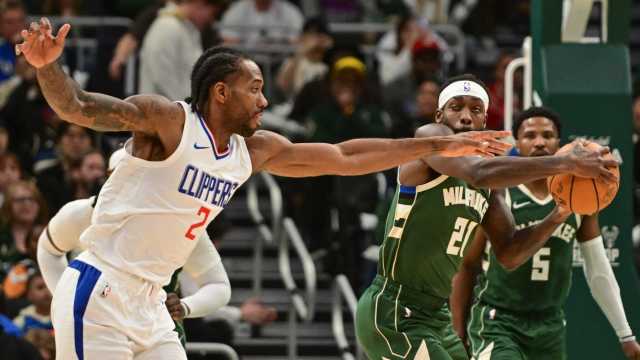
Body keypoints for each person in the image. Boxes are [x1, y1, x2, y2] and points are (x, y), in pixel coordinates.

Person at [18, 19, 511, 359]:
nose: (265, 99)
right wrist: (47, 67)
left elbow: (345, 157)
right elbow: (80, 107)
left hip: (151, 302)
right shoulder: (168, 121)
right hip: (100, 288)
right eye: (255, 88)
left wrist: (439, 148)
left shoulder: (252, 151)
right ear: (220, 91)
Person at [354, 74, 619, 360]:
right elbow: (477, 172)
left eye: (476, 109)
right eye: (457, 107)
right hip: (394, 309)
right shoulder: (430, 140)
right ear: (439, 115)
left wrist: (558, 214)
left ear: (484, 122)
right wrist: (566, 163)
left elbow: (509, 253)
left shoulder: (489, 188)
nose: (466, 116)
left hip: (435, 315)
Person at [450, 107, 640, 360]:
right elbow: (468, 265)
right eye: (530, 135)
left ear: (559, 143)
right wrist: (456, 332)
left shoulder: (582, 197)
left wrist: (625, 334)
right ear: (516, 143)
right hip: (498, 321)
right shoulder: (500, 192)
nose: (539, 142)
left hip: (549, 325)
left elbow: (597, 267)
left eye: (547, 135)